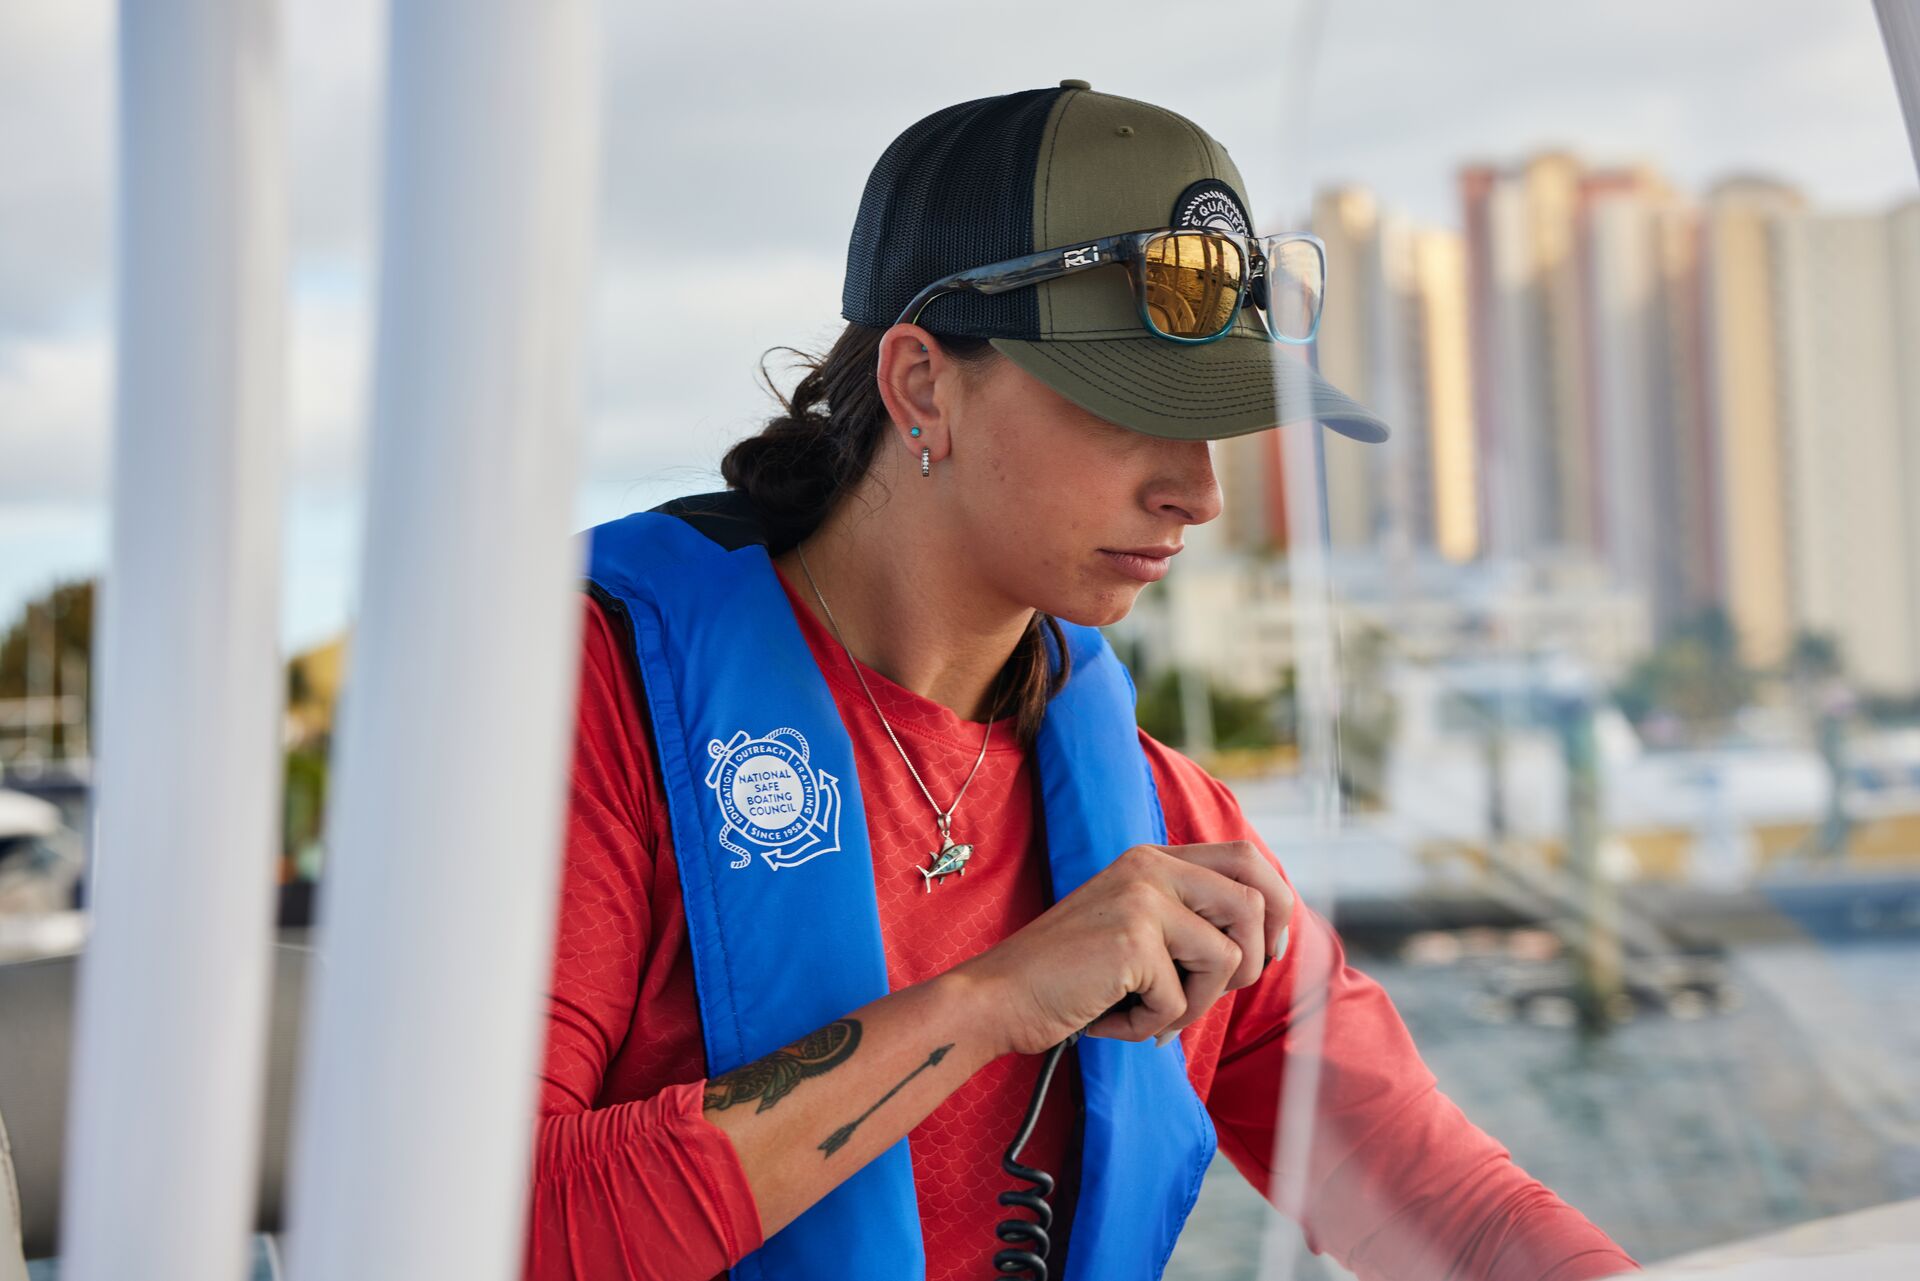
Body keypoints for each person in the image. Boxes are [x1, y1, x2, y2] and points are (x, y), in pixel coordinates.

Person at [522, 82, 1640, 1281]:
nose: (1198, 493)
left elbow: (1450, 1212)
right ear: (920, 385)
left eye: (1218, 425)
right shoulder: (591, 716)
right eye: (1131, 410)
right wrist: (993, 1002)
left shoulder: (1162, 825)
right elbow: (473, 1229)